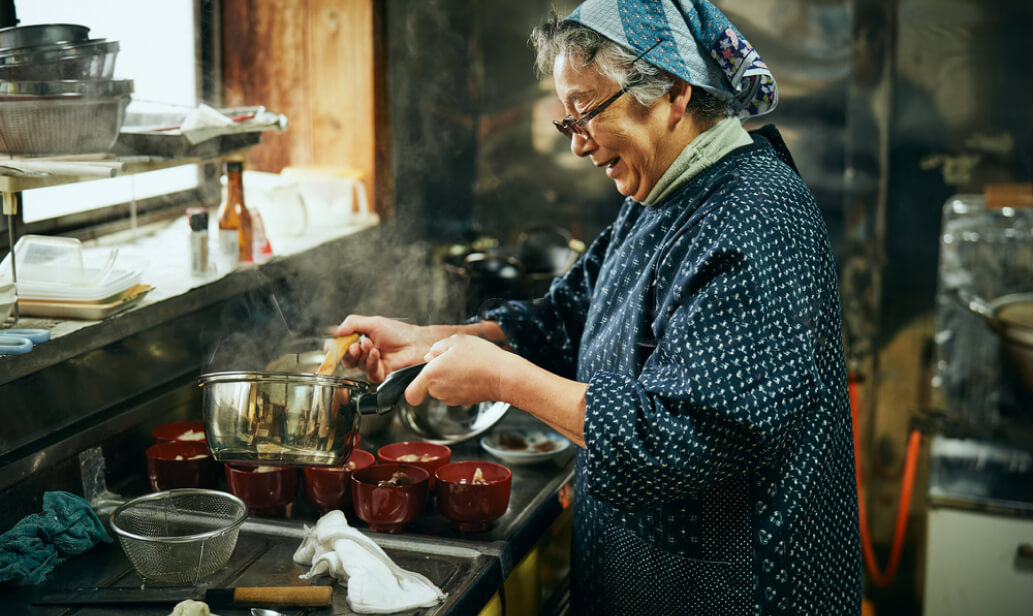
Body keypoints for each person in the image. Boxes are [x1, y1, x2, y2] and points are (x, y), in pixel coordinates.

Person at [333, 0, 862, 613]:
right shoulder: (663, 195)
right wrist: (431, 341)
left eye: (586, 112)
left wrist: (502, 377)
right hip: (649, 575)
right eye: (567, 121)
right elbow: (571, 314)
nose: (579, 144)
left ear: (674, 93)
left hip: (737, 590)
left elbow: (679, 433)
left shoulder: (752, 216)